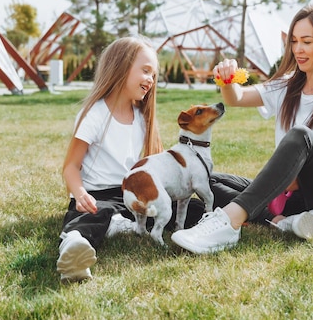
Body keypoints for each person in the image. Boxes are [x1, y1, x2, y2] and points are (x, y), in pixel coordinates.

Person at [171, 3, 313, 254]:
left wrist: (302, 178)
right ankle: (284, 222)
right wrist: (226, 79)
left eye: (307, 41)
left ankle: (228, 221)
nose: (298, 49)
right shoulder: (286, 87)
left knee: (301, 137)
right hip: (298, 201)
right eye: (293, 41)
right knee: (212, 180)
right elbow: (235, 98)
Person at [56, 35, 204, 283]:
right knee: (95, 217)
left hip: (133, 191)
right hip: (98, 194)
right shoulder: (94, 114)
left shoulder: (143, 118)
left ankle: (219, 224)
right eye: (145, 70)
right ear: (120, 66)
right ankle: (74, 247)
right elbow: (71, 166)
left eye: (154, 74)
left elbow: (154, 164)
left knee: (191, 209)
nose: (150, 79)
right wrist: (80, 194)